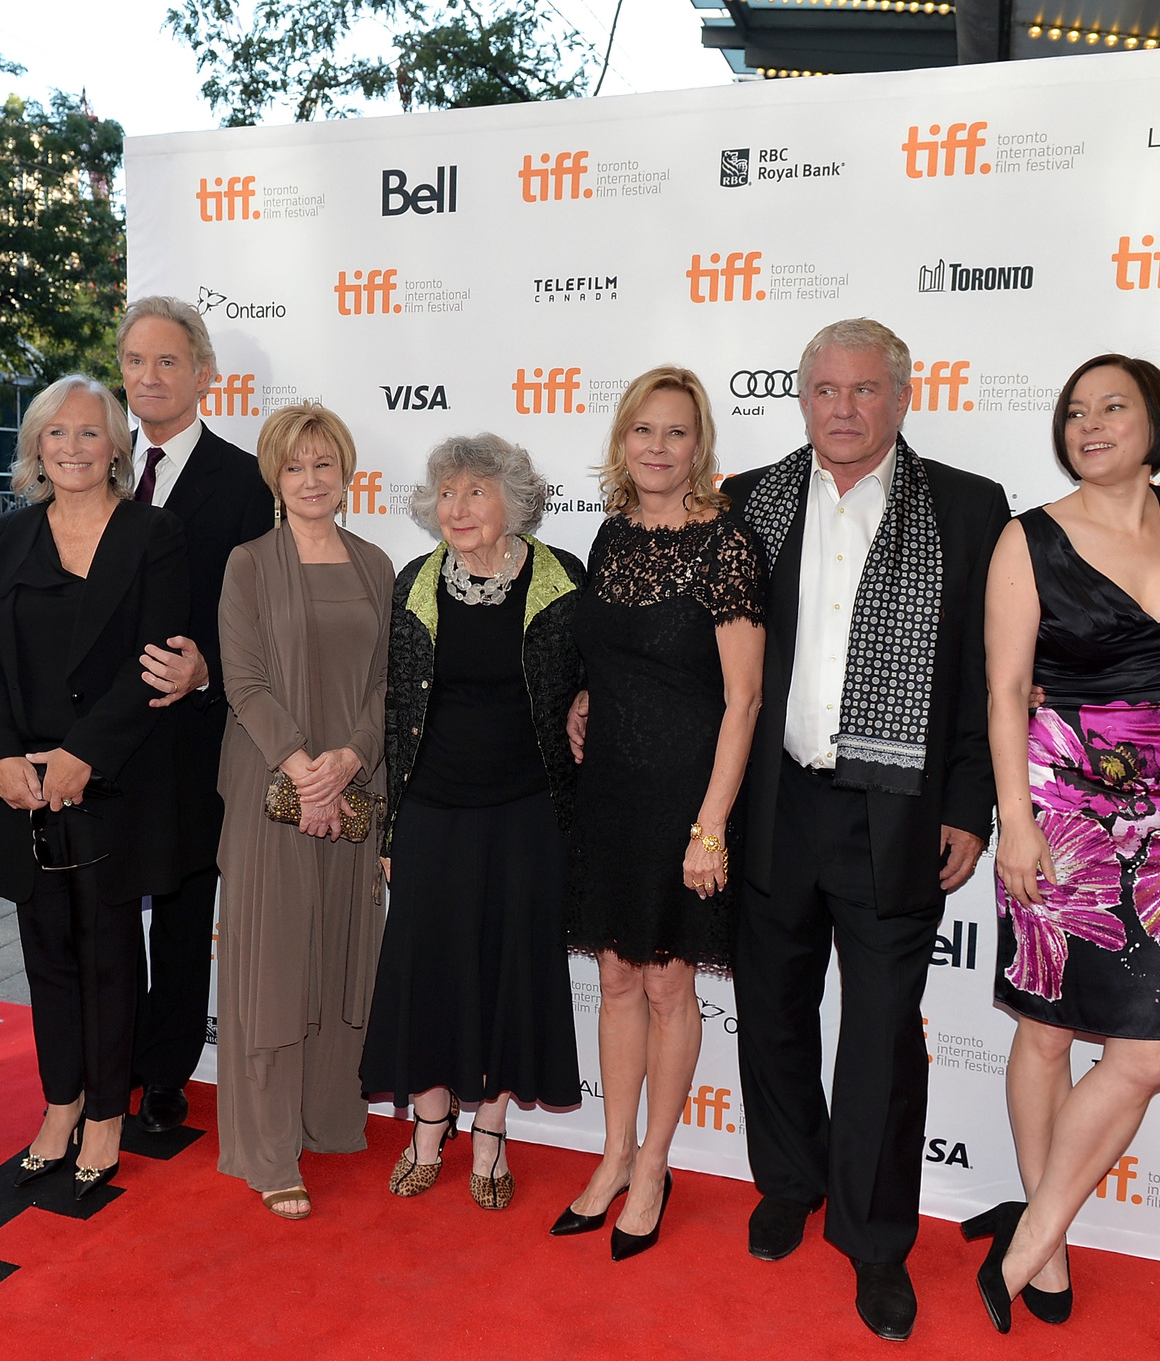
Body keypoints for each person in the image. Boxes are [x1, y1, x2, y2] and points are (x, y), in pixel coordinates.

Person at [722, 319, 1006, 1341]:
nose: (842, 408)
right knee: (772, 1009)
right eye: (823, 389)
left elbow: (988, 672)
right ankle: (789, 1181)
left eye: (864, 389)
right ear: (800, 397)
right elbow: (705, 660)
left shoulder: (968, 508)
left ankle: (875, 1238)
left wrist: (967, 805)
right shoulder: (743, 500)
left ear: (901, 395)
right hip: (771, 803)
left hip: (894, 809)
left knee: (883, 1031)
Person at [971, 355, 1160, 1331]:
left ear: (1155, 417)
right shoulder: (1026, 540)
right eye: (1073, 410)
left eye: (1111, 405)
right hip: (1059, 813)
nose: (1089, 423)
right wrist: (1014, 826)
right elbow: (1000, 694)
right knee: (1043, 1030)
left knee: (1145, 1055)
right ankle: (1051, 1244)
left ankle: (1027, 1231)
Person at [555, 367, 765, 1260]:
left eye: (676, 432)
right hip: (607, 791)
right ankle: (611, 1154)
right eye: (643, 429)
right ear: (622, 439)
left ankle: (655, 1165)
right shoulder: (610, 536)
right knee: (614, 979)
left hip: (687, 796)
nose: (656, 446)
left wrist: (711, 824)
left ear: (699, 446)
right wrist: (583, 697)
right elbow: (610, 654)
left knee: (672, 983)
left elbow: (744, 698)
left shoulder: (726, 543)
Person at [0, 375, 189, 1198]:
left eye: (89, 433)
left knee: (106, 954)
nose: (71, 447)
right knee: (45, 954)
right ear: (37, 447)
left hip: (114, 779)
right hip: (23, 783)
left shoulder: (154, 533)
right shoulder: (5, 537)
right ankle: (57, 1103)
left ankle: (105, 1113)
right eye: (55, 434)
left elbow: (159, 657)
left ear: (116, 447)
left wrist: (84, 754)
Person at [362, 434, 586, 1211]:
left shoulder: (562, 581)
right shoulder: (414, 584)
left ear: (512, 503)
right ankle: (429, 1127)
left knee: (511, 972)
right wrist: (391, 829)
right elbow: (396, 714)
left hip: (529, 817)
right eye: (447, 493)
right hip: (431, 813)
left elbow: (590, 693)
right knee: (427, 971)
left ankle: (489, 1133)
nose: (457, 508)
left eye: (476, 492)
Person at [214, 403, 392, 1221]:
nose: (312, 479)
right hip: (269, 793)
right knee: (276, 967)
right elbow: (244, 682)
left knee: (341, 954)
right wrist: (303, 769)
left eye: (325, 464)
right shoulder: (248, 563)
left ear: (346, 472)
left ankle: (327, 1118)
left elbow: (390, 685)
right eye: (296, 466)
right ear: (274, 478)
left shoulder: (376, 565)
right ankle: (268, 1148)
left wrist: (348, 763)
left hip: (354, 791)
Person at [117, 296, 275, 1136]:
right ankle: (106, 1058)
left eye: (168, 361)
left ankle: (168, 1069)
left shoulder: (248, 481)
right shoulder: (88, 463)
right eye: (136, 360)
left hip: (196, 733)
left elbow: (263, 606)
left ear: (205, 375)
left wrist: (209, 664)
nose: (149, 376)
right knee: (102, 906)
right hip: (99, 734)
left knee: (181, 906)